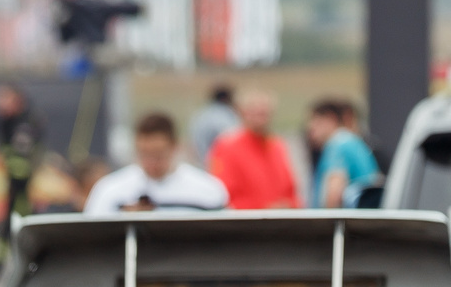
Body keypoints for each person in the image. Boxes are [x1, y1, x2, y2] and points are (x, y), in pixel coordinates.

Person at [83, 114, 229, 214]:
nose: (151, 162)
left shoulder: (208, 189)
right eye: (144, 154)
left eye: (158, 155)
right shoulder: (110, 190)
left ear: (175, 147)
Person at [0, 83, 44, 282]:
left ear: (17, 99)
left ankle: (33, 268)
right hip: (14, 185)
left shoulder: (25, 123)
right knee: (8, 228)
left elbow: (21, 156)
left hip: (25, 188)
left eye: (4, 98)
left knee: (25, 228)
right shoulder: (5, 121)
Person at [207, 90, 299, 211]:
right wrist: (263, 209)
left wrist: (289, 207)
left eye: (265, 113)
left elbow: (290, 190)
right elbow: (221, 194)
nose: (261, 118)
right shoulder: (226, 146)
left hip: (281, 223)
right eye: (256, 112)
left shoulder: (277, 146)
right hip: (246, 224)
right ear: (242, 113)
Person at [307, 98, 382, 208]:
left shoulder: (338, 143)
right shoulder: (352, 141)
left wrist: (324, 223)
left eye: (316, 121)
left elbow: (333, 195)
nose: (311, 128)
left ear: (331, 119)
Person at [187, 85, 240, 168]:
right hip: (219, 167)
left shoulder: (200, 115)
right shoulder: (227, 116)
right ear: (227, 98)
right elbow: (234, 142)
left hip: (200, 165)